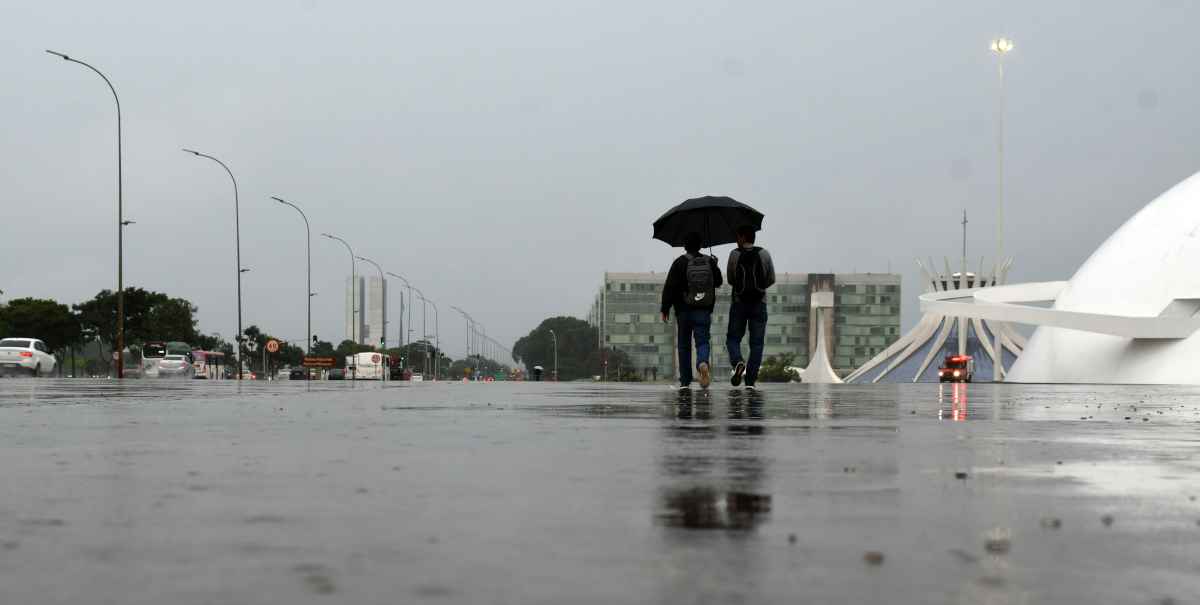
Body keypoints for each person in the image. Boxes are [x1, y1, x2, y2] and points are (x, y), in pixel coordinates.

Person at [661, 232, 723, 389]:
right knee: (702, 341)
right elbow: (719, 282)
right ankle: (702, 363)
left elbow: (670, 287)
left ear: (684, 246)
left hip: (683, 311)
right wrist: (715, 264)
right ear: (700, 246)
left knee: (684, 345)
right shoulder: (708, 261)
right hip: (703, 309)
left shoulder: (679, 263)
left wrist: (665, 308)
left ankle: (685, 381)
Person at [726, 225, 776, 389]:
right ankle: (750, 381)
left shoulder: (734, 254)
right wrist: (759, 289)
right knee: (757, 344)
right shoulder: (764, 254)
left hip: (739, 303)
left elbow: (731, 279)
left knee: (733, 338)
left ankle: (738, 362)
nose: (735, 240)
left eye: (737, 236)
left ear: (742, 237)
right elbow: (771, 278)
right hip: (759, 303)